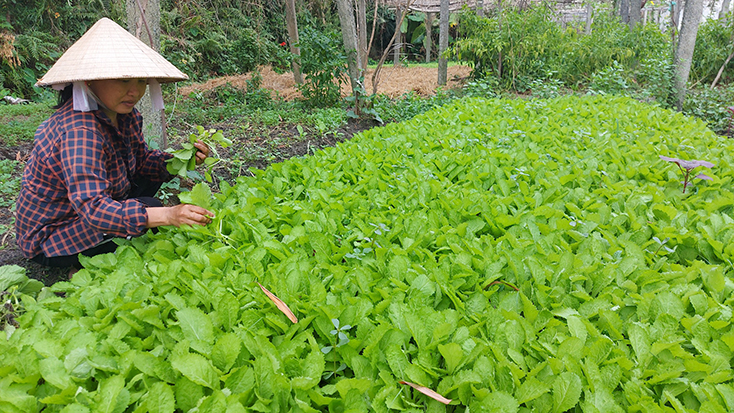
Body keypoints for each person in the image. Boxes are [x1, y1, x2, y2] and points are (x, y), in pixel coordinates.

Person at [15, 17, 214, 272]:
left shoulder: (124, 116)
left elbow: (141, 161)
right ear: (90, 80)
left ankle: (126, 225)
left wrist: (182, 159)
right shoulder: (80, 131)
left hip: (86, 208)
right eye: (123, 80)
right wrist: (168, 215)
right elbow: (94, 210)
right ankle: (82, 258)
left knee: (152, 178)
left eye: (141, 81)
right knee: (151, 209)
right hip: (53, 236)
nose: (135, 91)